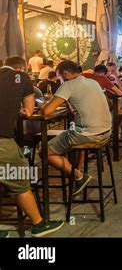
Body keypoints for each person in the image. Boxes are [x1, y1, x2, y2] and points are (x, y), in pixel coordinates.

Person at [0, 57, 65, 238]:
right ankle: (39, 224)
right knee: (20, 181)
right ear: (21, 68)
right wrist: (21, 110)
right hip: (2, 141)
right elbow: (29, 111)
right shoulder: (21, 77)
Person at [41, 60, 112, 196]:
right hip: (106, 133)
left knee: (44, 150)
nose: (60, 81)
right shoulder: (92, 82)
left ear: (66, 74)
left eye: (60, 78)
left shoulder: (69, 85)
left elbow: (47, 111)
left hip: (88, 135)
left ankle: (78, 176)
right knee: (67, 135)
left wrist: (41, 106)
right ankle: (77, 173)